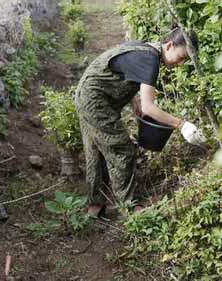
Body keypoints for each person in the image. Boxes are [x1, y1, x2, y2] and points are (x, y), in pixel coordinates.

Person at [74, 27, 206, 217]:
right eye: (181, 57)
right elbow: (149, 108)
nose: (180, 63)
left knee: (96, 150)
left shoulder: (144, 49)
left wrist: (134, 100)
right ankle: (130, 208)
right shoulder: (150, 60)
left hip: (86, 95)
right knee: (122, 150)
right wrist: (182, 124)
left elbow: (123, 73)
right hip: (96, 102)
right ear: (169, 45)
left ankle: (95, 207)